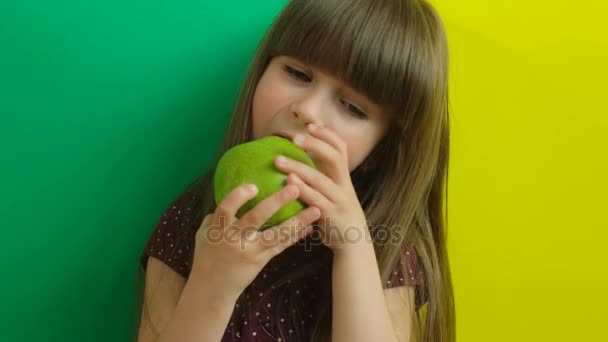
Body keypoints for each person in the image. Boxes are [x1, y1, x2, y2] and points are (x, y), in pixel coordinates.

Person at [135, 0, 455, 341]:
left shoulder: (384, 244)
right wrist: (212, 287)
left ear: (382, 150)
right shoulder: (194, 221)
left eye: (351, 107)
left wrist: (353, 249)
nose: (307, 110)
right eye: (298, 74)